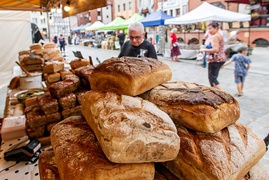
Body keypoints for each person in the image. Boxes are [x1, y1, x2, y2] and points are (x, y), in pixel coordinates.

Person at [200, 22, 226, 90]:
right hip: (220, 59)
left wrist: (204, 50)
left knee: (212, 79)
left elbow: (215, 49)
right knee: (214, 77)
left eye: (210, 29)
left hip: (215, 59)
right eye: (208, 29)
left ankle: (223, 94)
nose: (209, 31)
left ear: (216, 28)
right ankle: (217, 93)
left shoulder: (215, 36)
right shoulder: (219, 35)